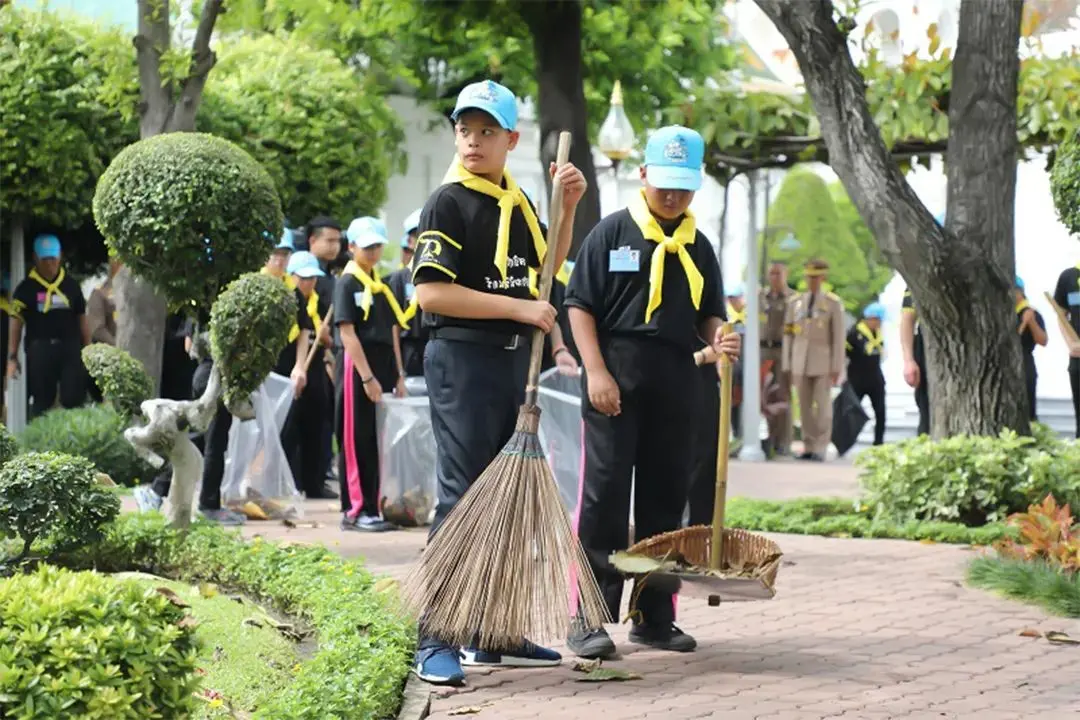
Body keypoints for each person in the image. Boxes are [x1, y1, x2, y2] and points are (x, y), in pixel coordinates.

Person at [410, 79, 583, 685]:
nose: (474, 141)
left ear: (512, 138)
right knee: (461, 495)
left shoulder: (518, 201)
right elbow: (431, 291)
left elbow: (543, 272)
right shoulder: (447, 202)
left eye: (487, 131)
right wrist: (518, 312)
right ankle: (436, 635)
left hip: (514, 360)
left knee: (504, 494)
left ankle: (493, 632)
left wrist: (568, 209)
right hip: (462, 359)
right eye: (465, 129)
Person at [564, 125, 741, 660]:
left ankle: (653, 616)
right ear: (642, 174)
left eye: (683, 187)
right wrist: (595, 371)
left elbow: (709, 311)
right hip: (614, 376)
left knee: (666, 501)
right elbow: (579, 306)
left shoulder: (699, 245)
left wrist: (720, 336)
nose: (672, 196)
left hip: (679, 380)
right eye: (664, 183)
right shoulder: (611, 233)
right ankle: (588, 615)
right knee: (605, 498)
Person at [334, 220, 409, 532]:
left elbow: (392, 329)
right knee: (355, 437)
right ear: (351, 247)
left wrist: (398, 374)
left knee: (374, 439)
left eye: (377, 245)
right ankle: (355, 509)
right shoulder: (347, 283)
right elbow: (348, 334)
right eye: (367, 246)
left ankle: (372, 506)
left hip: (380, 367)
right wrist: (367, 378)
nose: (373, 251)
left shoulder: (378, 284)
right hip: (357, 368)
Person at [6, 234, 89, 419]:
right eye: (45, 259)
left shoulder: (71, 286)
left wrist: (90, 349)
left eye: (53, 258)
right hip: (40, 348)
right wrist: (12, 357)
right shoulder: (26, 288)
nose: (50, 263)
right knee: (42, 400)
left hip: (70, 347)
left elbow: (82, 318)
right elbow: (15, 322)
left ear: (60, 256)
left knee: (73, 398)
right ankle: (38, 441)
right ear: (35, 258)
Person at [279, 251, 338, 498]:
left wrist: (326, 339)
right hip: (286, 372)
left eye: (312, 278)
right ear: (291, 276)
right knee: (287, 430)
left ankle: (313, 484)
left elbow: (331, 342)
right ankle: (287, 483)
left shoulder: (321, 305)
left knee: (315, 428)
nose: (309, 283)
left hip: (314, 375)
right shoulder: (283, 301)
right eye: (303, 278)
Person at [783, 258, 844, 462]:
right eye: (809, 277)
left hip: (823, 362)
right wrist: (787, 363)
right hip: (800, 361)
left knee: (823, 406)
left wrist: (837, 366)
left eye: (816, 278)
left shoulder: (832, 303)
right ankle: (808, 445)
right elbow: (788, 334)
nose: (812, 281)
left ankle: (821, 446)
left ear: (823, 278)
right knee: (804, 406)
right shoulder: (795, 303)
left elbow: (838, 337)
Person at [306, 216, 345, 493]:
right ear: (312, 241)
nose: (334, 246)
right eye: (329, 240)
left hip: (325, 356)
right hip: (306, 354)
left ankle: (317, 476)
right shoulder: (308, 276)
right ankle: (306, 479)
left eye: (337, 241)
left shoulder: (331, 277)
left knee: (323, 419)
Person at [387, 209, 429, 378]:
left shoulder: (445, 276)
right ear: (410, 241)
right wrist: (397, 368)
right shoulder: (399, 278)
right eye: (417, 235)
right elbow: (393, 326)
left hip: (436, 346)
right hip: (409, 349)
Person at [760, 261, 794, 456]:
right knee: (762, 397)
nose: (774, 277)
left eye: (778, 274)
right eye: (771, 273)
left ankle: (784, 442)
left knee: (782, 396)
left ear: (785, 275)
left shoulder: (792, 299)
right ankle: (769, 440)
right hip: (763, 350)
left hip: (783, 352)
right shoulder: (759, 297)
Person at [846, 302, 887, 446]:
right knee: (851, 411)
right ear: (869, 319)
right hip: (857, 378)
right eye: (876, 320)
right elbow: (851, 352)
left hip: (875, 378)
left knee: (881, 411)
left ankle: (878, 442)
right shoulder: (855, 332)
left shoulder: (878, 333)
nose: (878, 324)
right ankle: (845, 441)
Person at [1015, 277, 1047, 420]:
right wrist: (1023, 324)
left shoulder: (1031, 312)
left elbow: (1043, 340)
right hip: (1007, 363)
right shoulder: (1002, 313)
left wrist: (1031, 321)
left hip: (1025, 361)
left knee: (1028, 408)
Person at [900, 286, 930, 435]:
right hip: (927, 349)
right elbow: (907, 318)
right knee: (926, 409)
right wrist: (908, 360)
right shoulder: (918, 279)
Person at [87, 258, 121, 346]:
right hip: (114, 353)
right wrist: (119, 347)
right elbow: (97, 329)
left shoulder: (137, 293)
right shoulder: (100, 293)